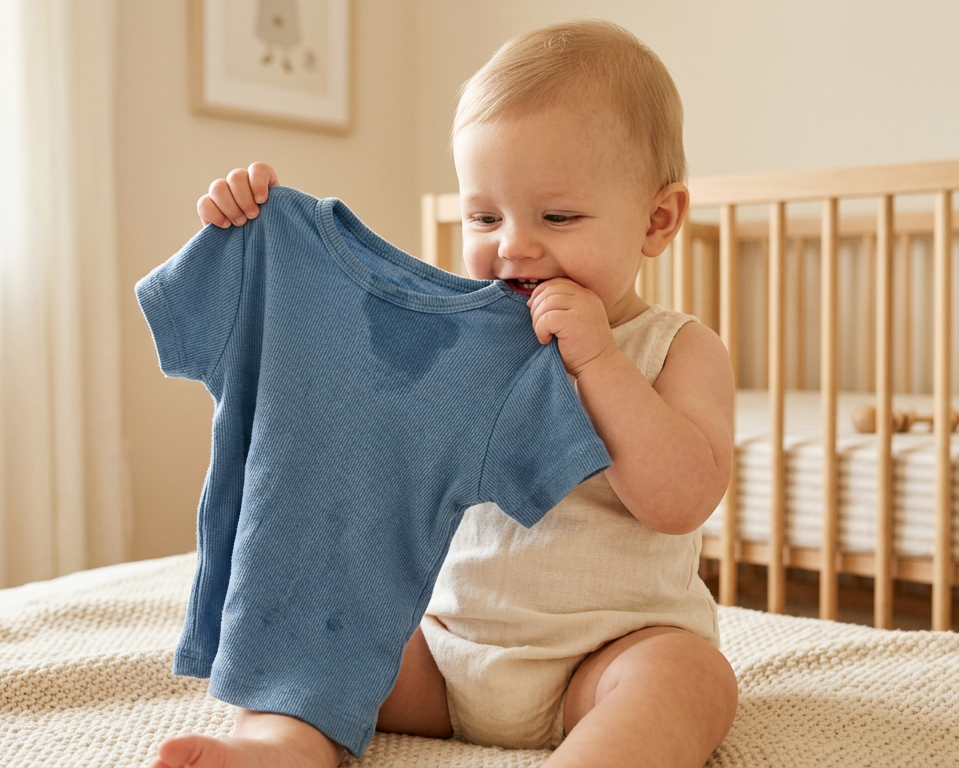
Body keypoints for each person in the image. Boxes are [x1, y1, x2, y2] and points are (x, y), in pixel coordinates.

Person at [153, 19, 738, 768]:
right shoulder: (453, 339)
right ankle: (280, 746)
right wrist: (261, 228)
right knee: (308, 624)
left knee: (691, 680)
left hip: (602, 660)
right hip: (444, 650)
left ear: (658, 221)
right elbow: (352, 378)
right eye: (484, 216)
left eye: (557, 217)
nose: (513, 245)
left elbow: (681, 498)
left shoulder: (679, 348)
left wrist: (598, 362)